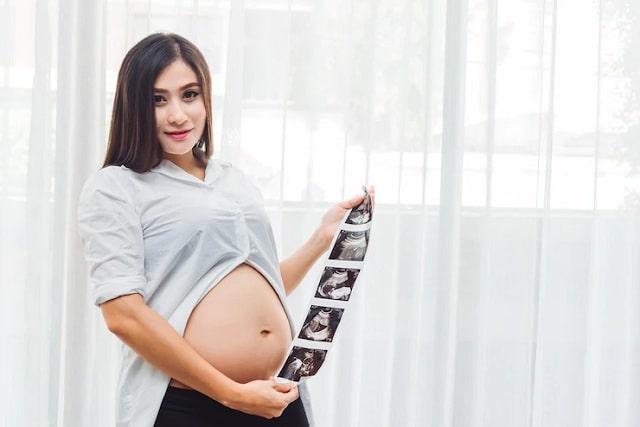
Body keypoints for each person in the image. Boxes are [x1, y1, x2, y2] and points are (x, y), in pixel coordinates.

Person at [77, 32, 374, 427]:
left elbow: (254, 284)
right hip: (190, 406)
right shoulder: (116, 187)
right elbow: (123, 316)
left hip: (277, 394)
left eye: (190, 94)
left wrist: (321, 239)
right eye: (158, 99)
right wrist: (231, 393)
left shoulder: (232, 178)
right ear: (133, 107)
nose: (177, 115)